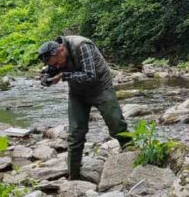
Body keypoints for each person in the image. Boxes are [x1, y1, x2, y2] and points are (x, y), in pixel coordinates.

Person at [37, 35, 129, 181]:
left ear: (60, 50)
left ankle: (133, 155)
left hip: (100, 87)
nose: (58, 66)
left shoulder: (82, 46)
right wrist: (46, 77)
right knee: (75, 134)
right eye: (55, 65)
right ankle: (73, 177)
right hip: (78, 92)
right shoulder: (56, 56)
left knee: (116, 124)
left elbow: (90, 75)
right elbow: (51, 69)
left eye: (58, 62)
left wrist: (63, 76)